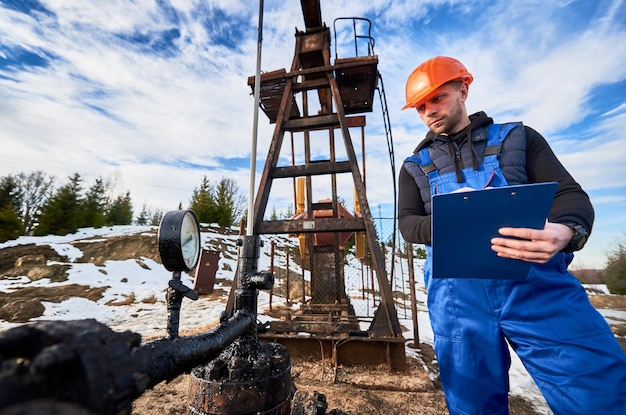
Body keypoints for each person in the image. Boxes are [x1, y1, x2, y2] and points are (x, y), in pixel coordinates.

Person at [398, 56, 626, 415]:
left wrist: (564, 231)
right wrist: (457, 219)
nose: (429, 111)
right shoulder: (415, 167)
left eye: (437, 98)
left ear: (463, 89)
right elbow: (408, 224)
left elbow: (571, 196)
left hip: (536, 288)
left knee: (598, 394)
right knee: (472, 406)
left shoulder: (518, 140)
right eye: (420, 106)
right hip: (459, 303)